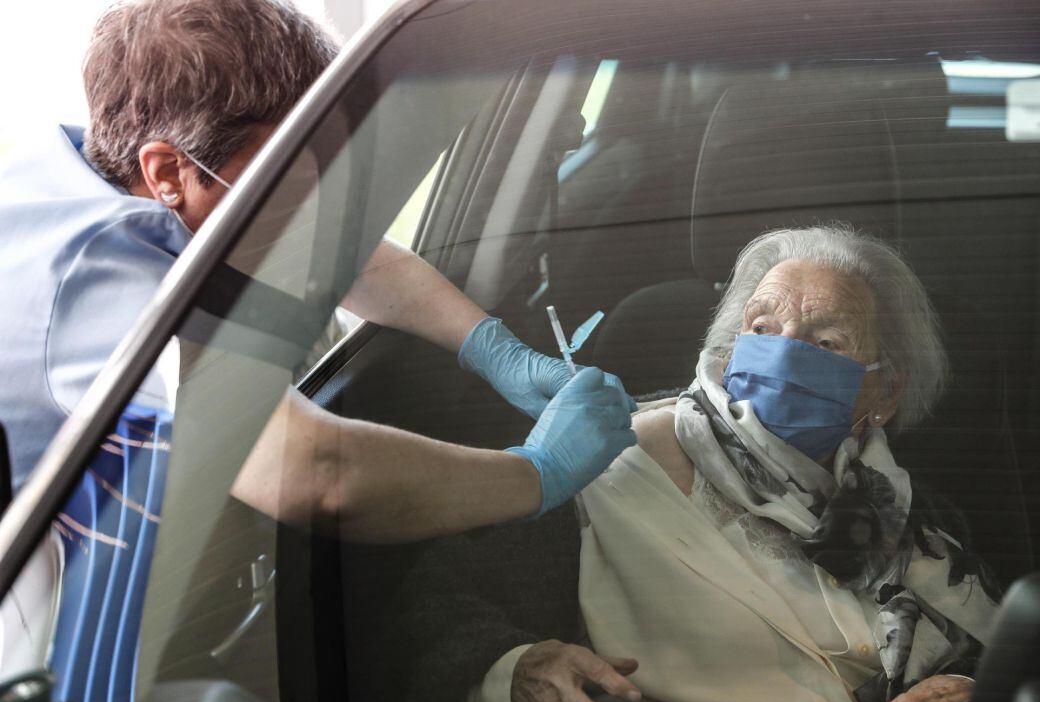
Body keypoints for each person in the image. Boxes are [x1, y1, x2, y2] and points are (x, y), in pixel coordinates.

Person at [0, 0, 635, 540]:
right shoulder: (93, 274)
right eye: (291, 185)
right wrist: (538, 472)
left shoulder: (105, 159)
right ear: (168, 173)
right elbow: (317, 474)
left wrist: (490, 348)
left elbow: (325, 247)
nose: (315, 213)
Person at [454, 227, 998, 702]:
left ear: (886, 394)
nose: (784, 354)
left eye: (827, 343)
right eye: (763, 327)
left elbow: (1002, 657)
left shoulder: (918, 523)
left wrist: (968, 687)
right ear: (732, 347)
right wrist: (518, 667)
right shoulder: (606, 451)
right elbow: (443, 600)